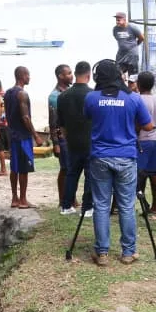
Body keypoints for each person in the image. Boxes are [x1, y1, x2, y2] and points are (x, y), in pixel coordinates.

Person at [83, 60, 155, 265]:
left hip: (99, 157)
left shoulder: (91, 98)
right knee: (126, 206)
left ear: (98, 77)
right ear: (118, 76)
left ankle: (102, 252)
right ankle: (128, 252)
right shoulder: (133, 98)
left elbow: (88, 117)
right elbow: (148, 125)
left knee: (102, 205)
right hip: (126, 156)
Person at [56, 60, 93, 216]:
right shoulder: (93, 95)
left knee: (72, 173)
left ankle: (66, 205)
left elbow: (61, 124)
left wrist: (67, 137)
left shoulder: (63, 96)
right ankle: (87, 207)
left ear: (76, 74)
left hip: (72, 141)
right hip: (90, 140)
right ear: (89, 75)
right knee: (90, 175)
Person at [4, 66, 37, 209]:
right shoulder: (22, 94)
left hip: (13, 134)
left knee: (14, 168)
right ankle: (23, 199)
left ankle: (14, 198)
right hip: (23, 136)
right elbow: (25, 117)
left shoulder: (8, 93)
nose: (29, 77)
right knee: (24, 168)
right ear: (22, 76)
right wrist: (35, 135)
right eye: (28, 75)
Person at [135, 71, 156, 213]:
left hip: (143, 140)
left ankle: (143, 203)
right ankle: (154, 205)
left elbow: (137, 122)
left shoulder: (137, 99)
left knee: (139, 174)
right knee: (155, 173)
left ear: (139, 84)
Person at [49, 64, 73, 207]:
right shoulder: (54, 96)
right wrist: (56, 143)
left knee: (72, 169)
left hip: (71, 137)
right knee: (64, 168)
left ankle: (70, 197)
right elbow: (52, 122)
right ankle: (61, 199)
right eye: (68, 73)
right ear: (60, 76)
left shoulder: (69, 92)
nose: (71, 76)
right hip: (62, 138)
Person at [112, 11, 145, 78]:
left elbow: (141, 38)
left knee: (133, 78)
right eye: (116, 20)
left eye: (119, 20)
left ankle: (132, 87)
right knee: (117, 74)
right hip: (121, 55)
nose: (117, 22)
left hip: (132, 56)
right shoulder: (115, 29)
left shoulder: (132, 27)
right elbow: (118, 39)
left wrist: (135, 46)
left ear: (124, 19)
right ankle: (121, 87)